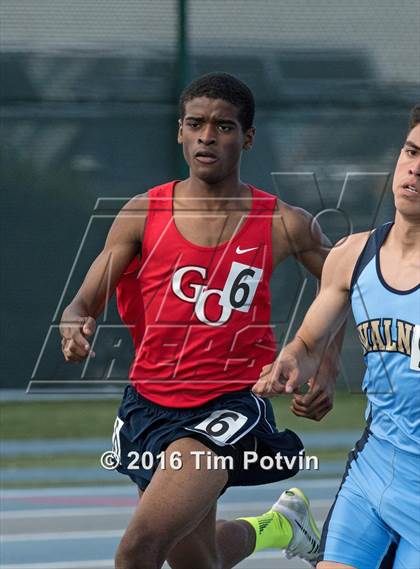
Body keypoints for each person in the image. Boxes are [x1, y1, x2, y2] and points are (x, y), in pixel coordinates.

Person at [60, 72, 339, 569]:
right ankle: (280, 526)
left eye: (224, 126)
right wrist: (75, 323)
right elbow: (83, 302)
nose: (207, 136)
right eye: (196, 124)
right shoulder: (141, 212)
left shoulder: (282, 222)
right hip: (150, 405)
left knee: (138, 548)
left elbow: (346, 285)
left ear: (248, 138)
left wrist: (322, 360)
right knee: (196, 560)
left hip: (228, 405)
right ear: (180, 132)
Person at [253, 104, 420, 569]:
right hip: (374, 473)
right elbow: (308, 344)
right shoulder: (351, 255)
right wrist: (292, 361)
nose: (416, 168)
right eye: (412, 151)